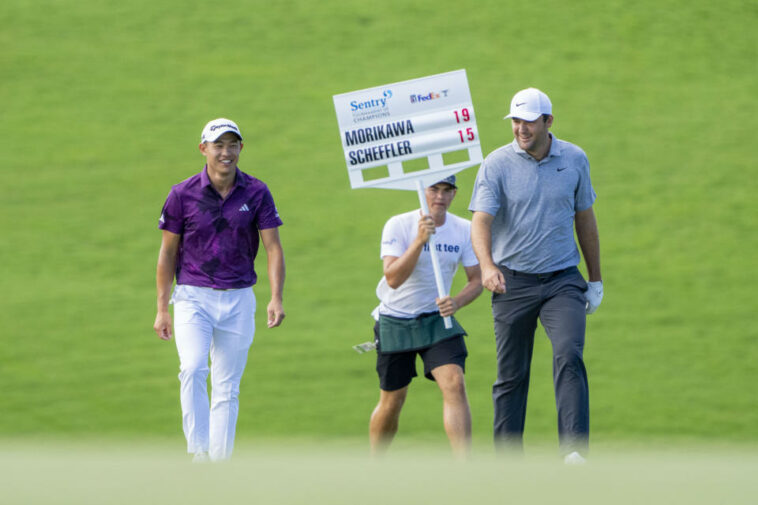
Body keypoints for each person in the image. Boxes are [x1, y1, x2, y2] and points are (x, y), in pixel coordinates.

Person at [468, 88, 603, 464]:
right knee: (511, 374)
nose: (520, 128)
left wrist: (595, 279)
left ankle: (574, 451)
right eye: (515, 120)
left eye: (528, 121)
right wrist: (488, 266)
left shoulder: (574, 159)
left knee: (569, 355)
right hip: (512, 282)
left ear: (548, 121)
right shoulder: (496, 164)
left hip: (563, 280)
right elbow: (481, 222)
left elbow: (585, 220)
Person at [153, 118, 286, 462]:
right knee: (194, 368)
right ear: (204, 149)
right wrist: (162, 308)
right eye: (218, 145)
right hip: (193, 296)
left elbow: (273, 247)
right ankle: (198, 452)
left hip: (239, 297)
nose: (226, 152)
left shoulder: (257, 192)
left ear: (241, 148)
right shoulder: (182, 194)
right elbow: (167, 252)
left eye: (232, 145)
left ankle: (219, 462)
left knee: (227, 387)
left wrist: (276, 297)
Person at [369, 176, 483, 458]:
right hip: (395, 318)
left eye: (447, 190)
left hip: (436, 319)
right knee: (393, 400)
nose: (440, 196)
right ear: (422, 191)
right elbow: (393, 278)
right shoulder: (399, 224)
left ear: (455, 194)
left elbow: (477, 280)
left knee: (454, 382)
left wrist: (456, 301)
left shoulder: (463, 230)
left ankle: (464, 467)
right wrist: (420, 240)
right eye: (434, 189)